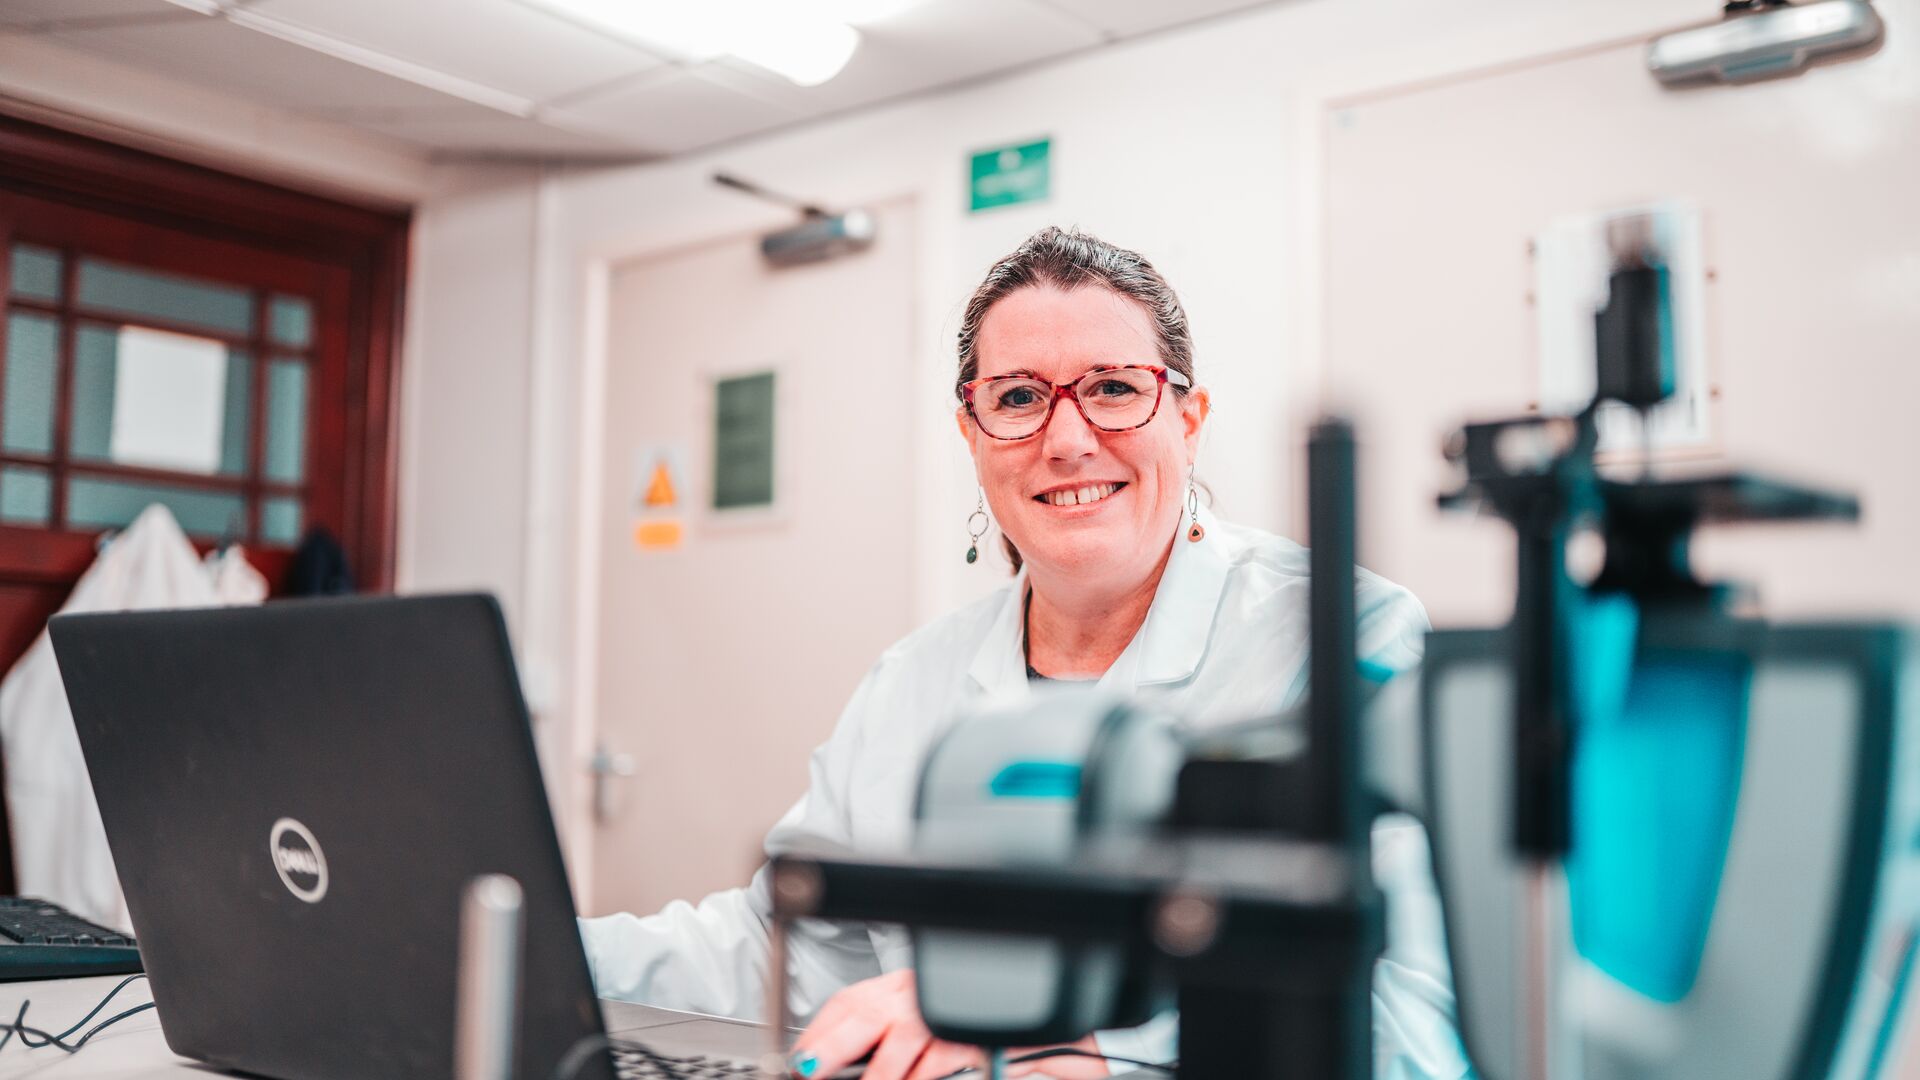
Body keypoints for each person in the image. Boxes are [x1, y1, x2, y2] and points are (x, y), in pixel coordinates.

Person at [582, 227, 1469, 1080]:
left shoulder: (1345, 639)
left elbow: (1419, 1023)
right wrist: (531, 938)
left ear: (1188, 420)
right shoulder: (913, 682)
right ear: (972, 436)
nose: (1068, 439)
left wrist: (1057, 1036)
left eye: (1115, 388)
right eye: (1017, 397)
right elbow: (774, 947)